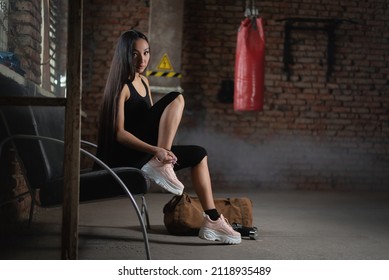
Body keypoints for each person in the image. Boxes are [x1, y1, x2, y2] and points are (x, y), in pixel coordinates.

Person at [96, 29, 241, 245]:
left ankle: (212, 220)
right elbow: (119, 134)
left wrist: (163, 149)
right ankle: (161, 164)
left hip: (147, 155)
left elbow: (153, 121)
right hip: (123, 158)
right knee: (176, 97)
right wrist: (157, 151)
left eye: (146, 53)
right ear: (124, 55)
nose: (142, 59)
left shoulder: (143, 82)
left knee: (199, 154)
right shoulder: (121, 86)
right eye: (135, 54)